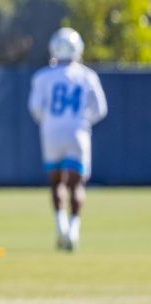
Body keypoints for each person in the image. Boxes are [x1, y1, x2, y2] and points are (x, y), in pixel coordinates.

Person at [28, 27, 108, 251]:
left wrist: (50, 122)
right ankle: (73, 228)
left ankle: (60, 225)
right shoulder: (87, 75)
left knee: (56, 182)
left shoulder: (43, 76)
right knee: (77, 184)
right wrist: (82, 121)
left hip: (51, 132)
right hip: (78, 133)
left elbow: (35, 108)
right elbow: (100, 109)